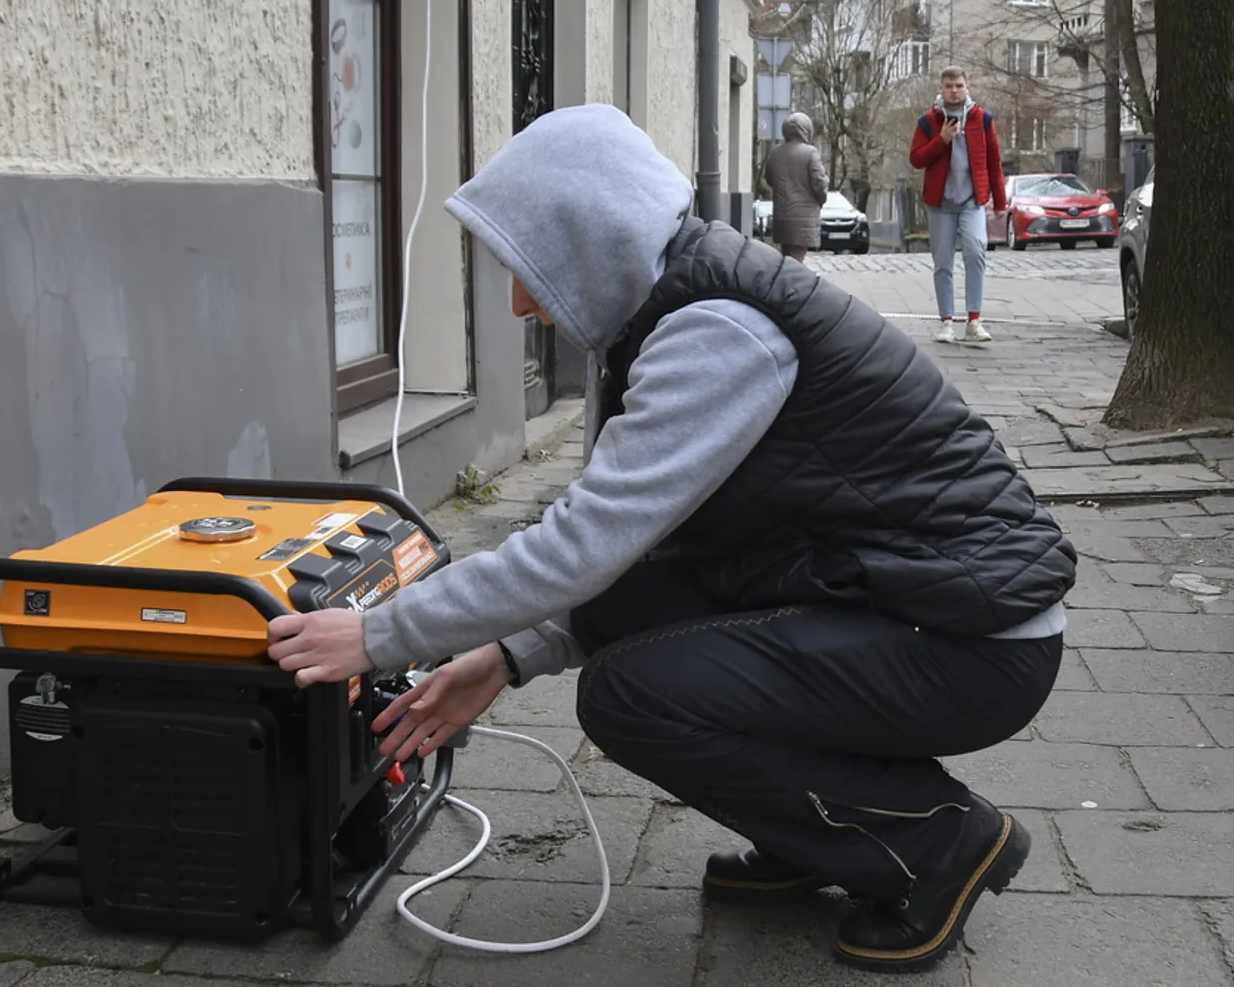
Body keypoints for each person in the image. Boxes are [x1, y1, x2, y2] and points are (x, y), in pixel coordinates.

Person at [265, 104, 1076, 973]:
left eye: (529, 266)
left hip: (968, 641)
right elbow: (654, 556)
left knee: (634, 695)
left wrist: (383, 632)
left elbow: (586, 543)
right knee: (656, 628)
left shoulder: (716, 332)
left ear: (592, 239)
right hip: (910, 606)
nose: (519, 299)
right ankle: (822, 841)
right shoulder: (681, 306)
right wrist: (502, 657)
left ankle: (937, 843)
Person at [909, 67, 1005, 344]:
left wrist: (1000, 201)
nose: (954, 90)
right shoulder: (928, 121)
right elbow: (916, 159)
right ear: (941, 87)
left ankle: (974, 321)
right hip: (940, 204)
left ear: (967, 87)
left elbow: (994, 163)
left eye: (959, 85)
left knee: (976, 251)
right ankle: (946, 322)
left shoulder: (982, 119)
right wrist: (942, 140)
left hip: (971, 201)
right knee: (943, 263)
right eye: (949, 85)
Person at [763, 112, 829, 262]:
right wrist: (821, 197)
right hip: (803, 218)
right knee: (797, 259)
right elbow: (819, 183)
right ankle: (791, 285)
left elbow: (769, 178)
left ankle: (783, 283)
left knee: (786, 257)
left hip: (781, 215)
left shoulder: (775, 153)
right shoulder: (810, 152)